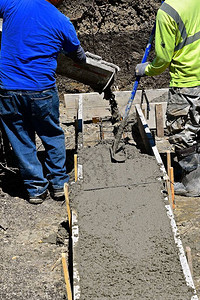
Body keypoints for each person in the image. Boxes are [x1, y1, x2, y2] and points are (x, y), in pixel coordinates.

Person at [0, 0, 86, 204]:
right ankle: (59, 184)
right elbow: (79, 57)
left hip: (8, 89)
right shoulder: (61, 20)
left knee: (21, 138)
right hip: (41, 89)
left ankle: (36, 189)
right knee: (51, 133)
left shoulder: (13, 4)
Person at [135, 0, 200, 197]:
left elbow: (162, 60)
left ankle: (192, 183)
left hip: (187, 81)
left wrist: (145, 69)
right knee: (197, 126)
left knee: (181, 132)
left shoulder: (168, 12)